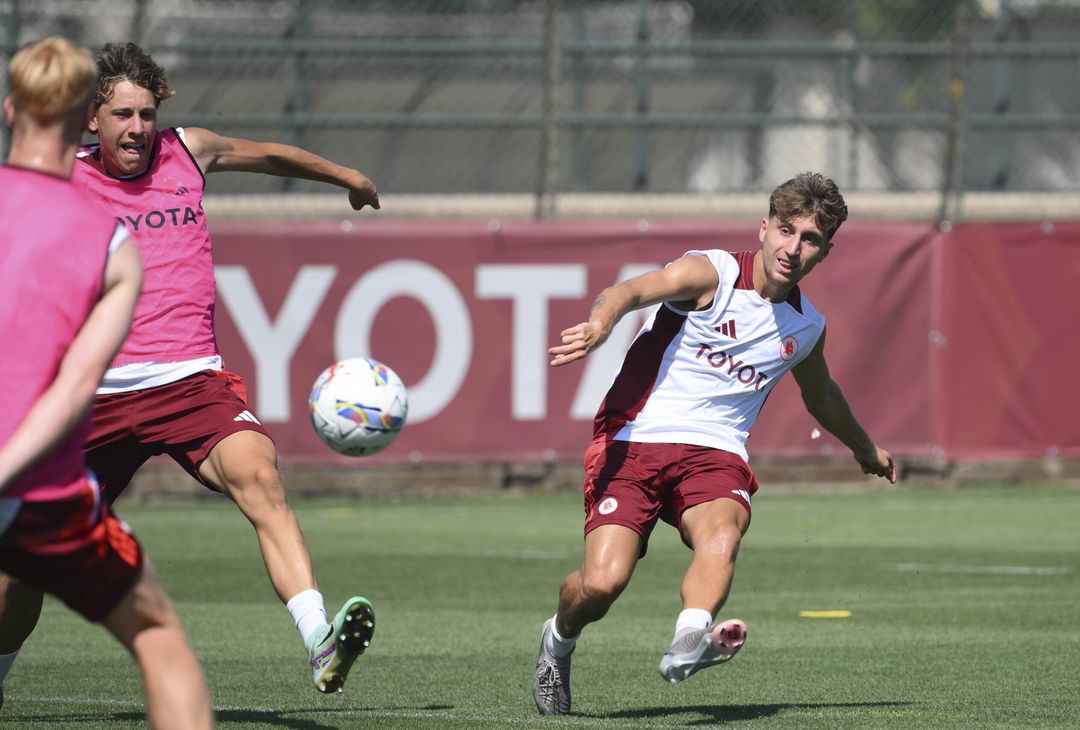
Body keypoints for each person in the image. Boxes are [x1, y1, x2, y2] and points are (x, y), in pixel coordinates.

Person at [0, 41, 380, 698]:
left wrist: (348, 176)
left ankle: (319, 640)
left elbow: (271, 155)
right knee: (22, 571)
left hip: (190, 382)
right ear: (92, 118)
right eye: (122, 115)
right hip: (98, 397)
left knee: (260, 477)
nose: (138, 129)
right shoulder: (59, 178)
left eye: (146, 114)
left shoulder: (188, 152)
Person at [532, 172, 897, 715]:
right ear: (764, 228)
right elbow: (630, 290)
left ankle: (690, 638)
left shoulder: (806, 327)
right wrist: (602, 322)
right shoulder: (712, 273)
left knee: (722, 533)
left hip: (715, 452)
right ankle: (557, 639)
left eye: (811, 239)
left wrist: (866, 449)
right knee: (603, 584)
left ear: (827, 249)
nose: (793, 249)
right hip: (635, 436)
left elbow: (822, 397)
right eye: (786, 230)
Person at [0, 37, 214, 727]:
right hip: (42, 492)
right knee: (158, 638)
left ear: (10, 110)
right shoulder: (110, 239)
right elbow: (77, 384)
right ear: (82, 122)